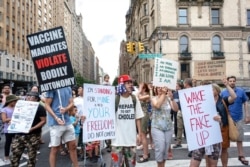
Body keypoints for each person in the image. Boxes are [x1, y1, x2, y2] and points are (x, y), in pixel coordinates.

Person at [111, 74, 144, 167]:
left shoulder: (134, 99)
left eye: (131, 83)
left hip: (131, 140)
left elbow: (138, 117)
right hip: (117, 141)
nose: (130, 85)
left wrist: (139, 134)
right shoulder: (114, 99)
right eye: (127, 83)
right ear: (121, 85)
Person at [44, 87, 79, 167]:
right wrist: (56, 117)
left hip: (67, 121)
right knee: (55, 149)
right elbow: (47, 104)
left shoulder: (68, 87)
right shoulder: (51, 87)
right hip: (56, 123)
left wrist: (66, 109)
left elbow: (71, 103)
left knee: (73, 146)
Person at [11, 91, 47, 167]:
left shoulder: (40, 108)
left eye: (30, 96)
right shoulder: (21, 105)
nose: (28, 98)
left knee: (31, 157)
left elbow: (43, 121)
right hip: (19, 135)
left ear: (36, 99)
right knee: (15, 155)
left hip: (33, 135)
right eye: (27, 96)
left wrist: (33, 128)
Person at [221, 76, 250, 165]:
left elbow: (246, 102)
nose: (232, 82)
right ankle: (224, 157)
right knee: (225, 139)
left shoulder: (241, 91)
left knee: (239, 138)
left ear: (235, 82)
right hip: (227, 119)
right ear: (228, 82)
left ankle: (241, 155)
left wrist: (247, 115)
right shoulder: (223, 92)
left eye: (234, 81)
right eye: (230, 81)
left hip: (238, 117)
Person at [151, 86, 178, 167]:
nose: (160, 89)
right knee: (160, 148)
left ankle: (162, 165)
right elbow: (157, 105)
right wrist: (163, 94)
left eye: (162, 88)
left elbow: (176, 109)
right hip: (157, 127)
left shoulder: (168, 99)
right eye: (158, 88)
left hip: (168, 128)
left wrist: (172, 99)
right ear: (155, 90)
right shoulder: (154, 98)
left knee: (165, 150)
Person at [0, 94, 19, 165]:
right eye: (14, 101)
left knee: (17, 143)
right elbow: (4, 120)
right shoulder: (4, 109)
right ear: (10, 101)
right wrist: (14, 119)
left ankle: (16, 155)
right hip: (8, 129)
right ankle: (6, 157)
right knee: (8, 143)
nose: (15, 102)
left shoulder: (17, 107)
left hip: (17, 128)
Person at [137, 82, 150, 163]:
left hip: (144, 115)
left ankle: (145, 155)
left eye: (141, 87)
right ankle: (146, 152)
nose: (139, 88)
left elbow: (137, 98)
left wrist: (139, 90)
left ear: (144, 88)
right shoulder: (141, 94)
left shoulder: (147, 95)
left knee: (143, 135)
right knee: (142, 135)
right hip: (141, 116)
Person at [173, 81, 184, 149]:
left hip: (186, 111)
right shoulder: (174, 94)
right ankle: (178, 142)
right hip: (179, 111)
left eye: (177, 86)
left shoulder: (184, 92)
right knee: (179, 127)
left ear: (180, 87)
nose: (176, 87)